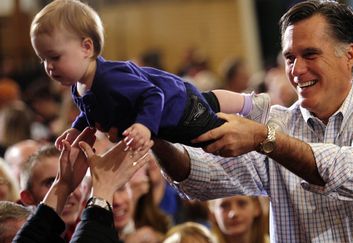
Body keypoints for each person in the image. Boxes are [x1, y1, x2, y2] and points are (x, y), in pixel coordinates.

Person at [150, 0, 353, 242]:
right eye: (289, 58)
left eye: (310, 54)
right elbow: (200, 178)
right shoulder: (275, 123)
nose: (296, 70)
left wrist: (265, 139)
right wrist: (155, 131)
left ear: (349, 55)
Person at [30, 0, 269, 152]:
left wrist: (144, 126)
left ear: (86, 48)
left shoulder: (110, 79)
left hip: (177, 112)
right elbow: (90, 113)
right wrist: (76, 129)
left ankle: (260, 128)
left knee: (215, 136)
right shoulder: (79, 86)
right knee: (207, 100)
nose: (49, 67)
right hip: (177, 99)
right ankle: (249, 102)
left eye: (54, 57)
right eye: (43, 60)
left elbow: (152, 94)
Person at [13, 127, 150, 243]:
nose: (72, 193)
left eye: (77, 183)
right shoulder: (11, 228)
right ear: (27, 197)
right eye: (50, 182)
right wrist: (103, 187)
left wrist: (64, 185)